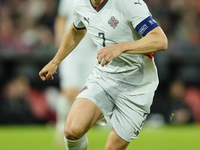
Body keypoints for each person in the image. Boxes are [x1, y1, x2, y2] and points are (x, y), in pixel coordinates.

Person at [39, 0, 168, 149]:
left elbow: (160, 40)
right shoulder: (80, 4)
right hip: (105, 76)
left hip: (137, 85)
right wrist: (56, 61)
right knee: (71, 131)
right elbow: (76, 30)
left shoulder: (128, 3)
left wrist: (121, 48)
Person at [54, 0, 96, 145]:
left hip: (92, 51)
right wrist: (59, 37)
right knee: (69, 91)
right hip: (71, 51)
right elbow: (61, 17)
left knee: (87, 93)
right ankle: (61, 127)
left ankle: (81, 129)